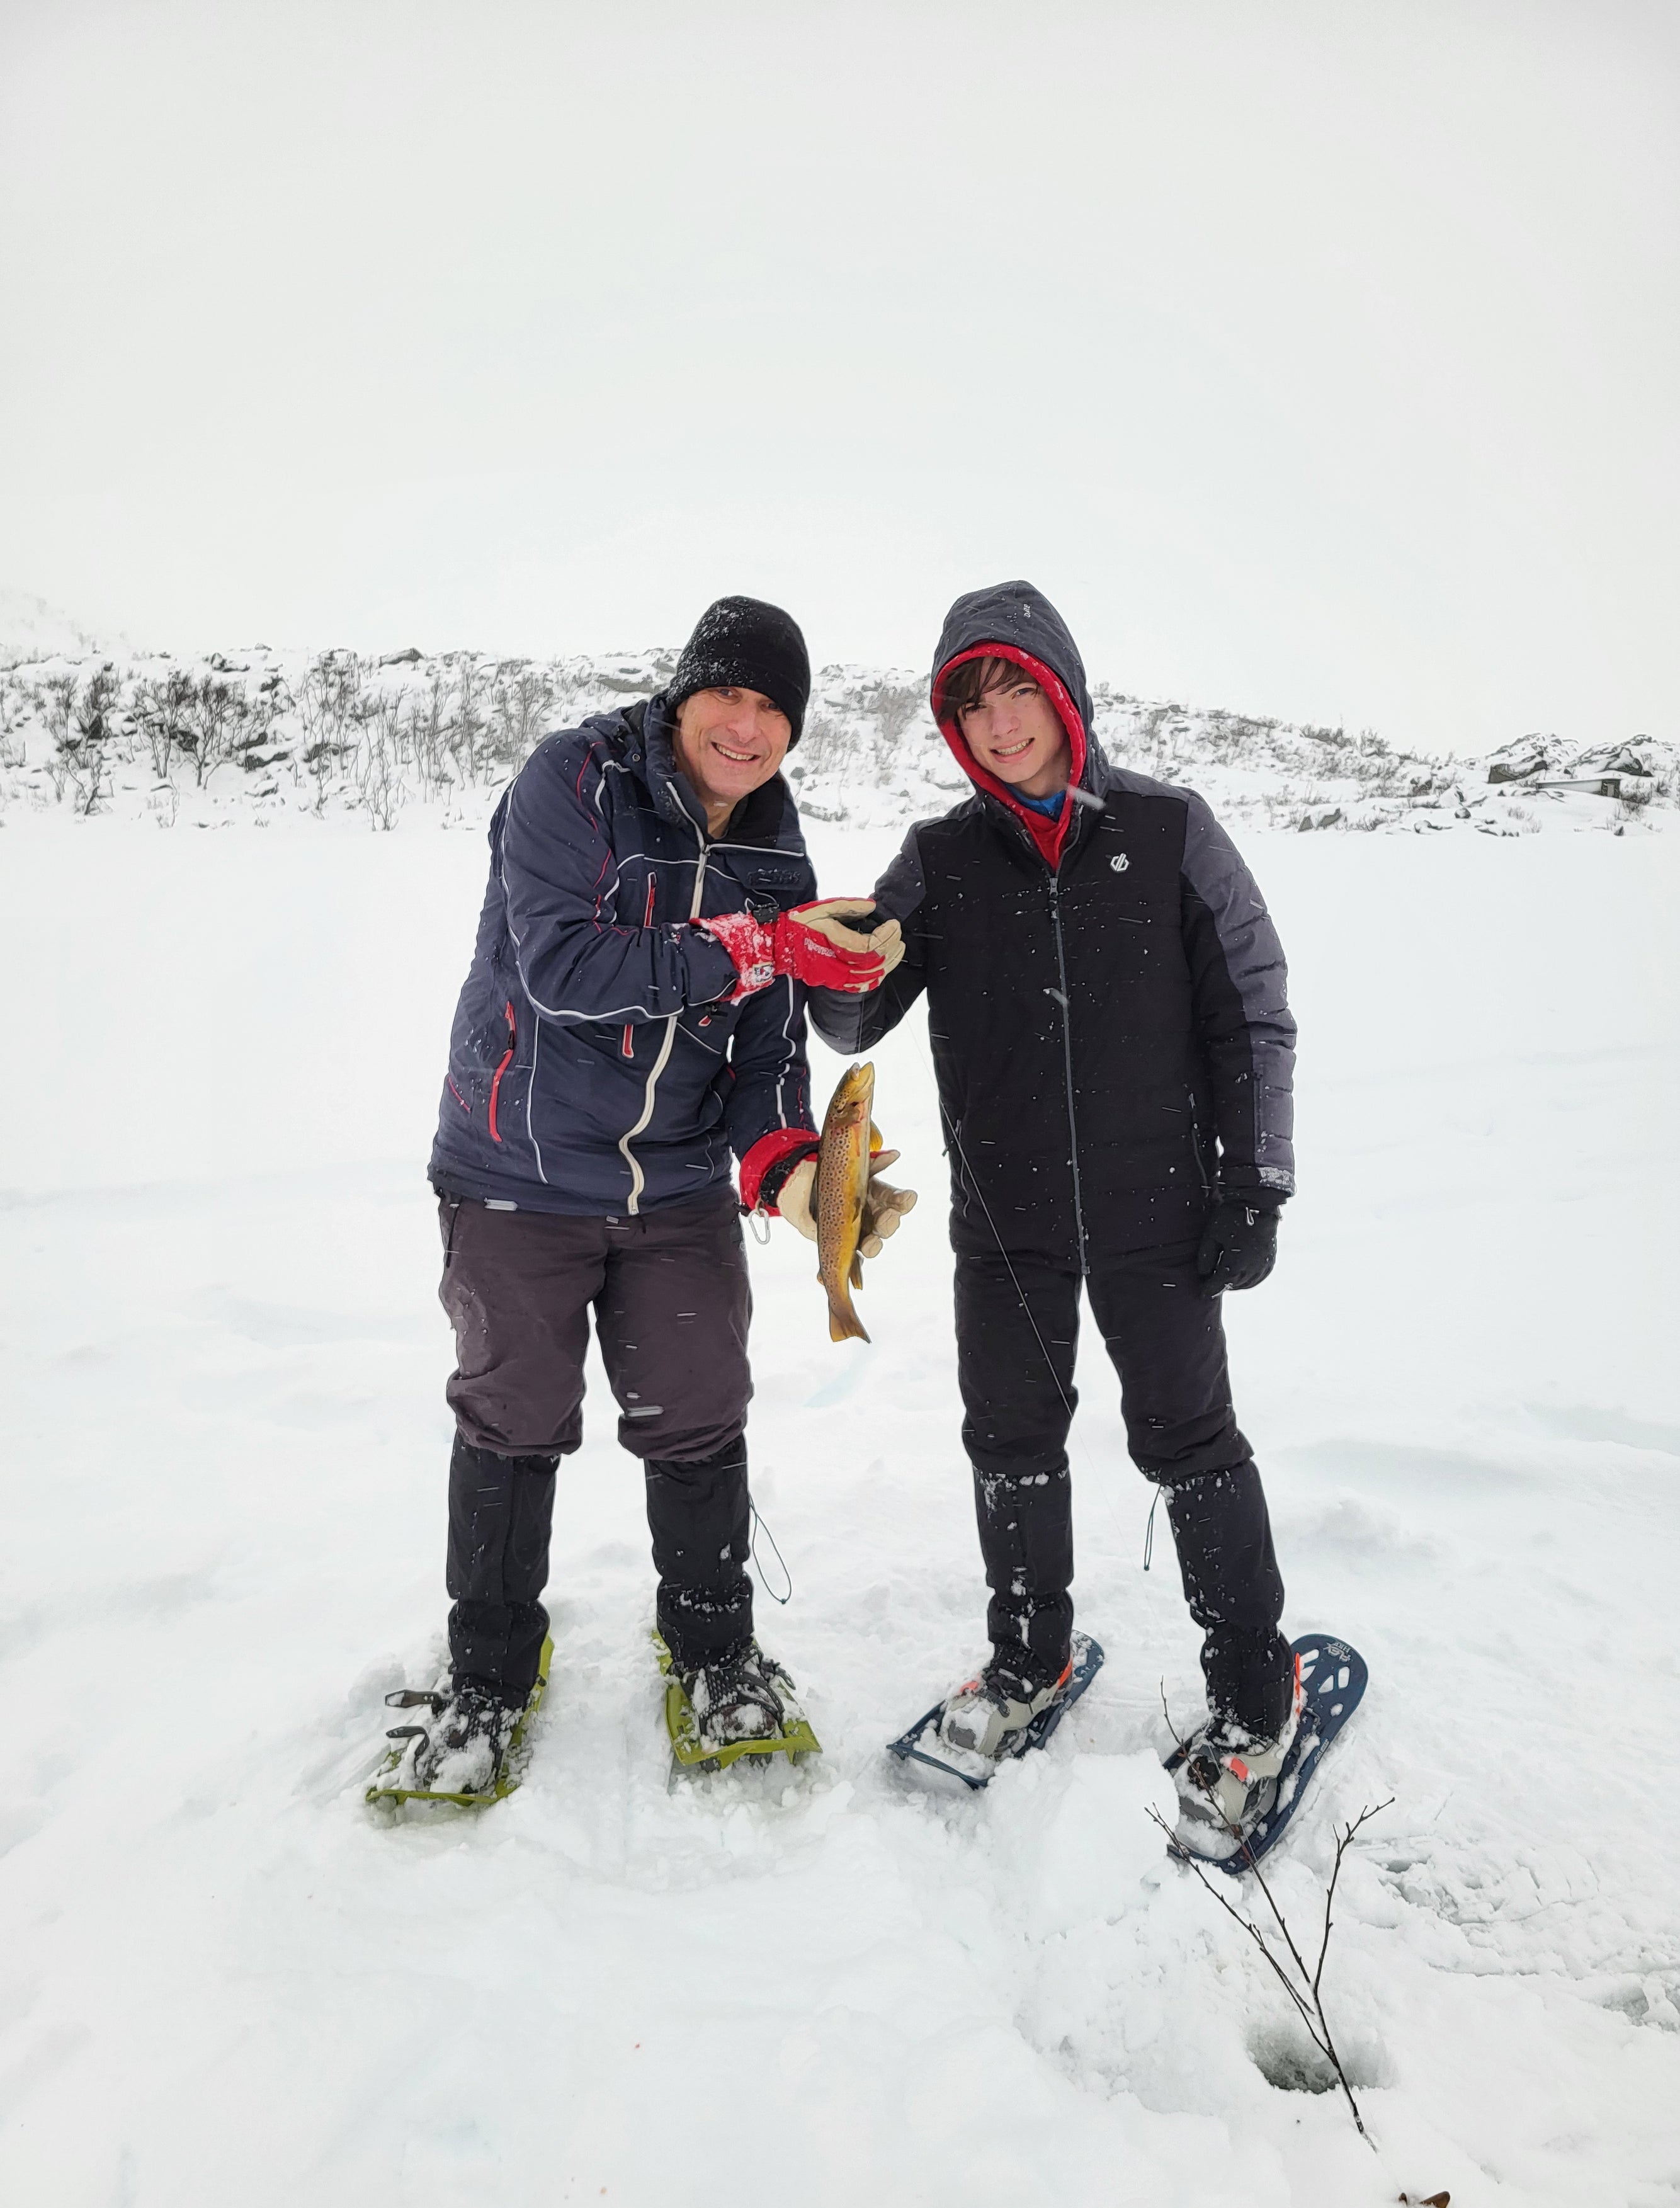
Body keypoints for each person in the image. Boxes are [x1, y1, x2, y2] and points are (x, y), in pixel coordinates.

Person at [808, 580, 1300, 1850]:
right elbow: (854, 1015)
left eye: (1015, 689)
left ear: (1061, 691)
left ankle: (1253, 1683)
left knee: (1188, 1439)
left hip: (1158, 1209)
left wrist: (1252, 1181)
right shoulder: (940, 860)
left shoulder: (1167, 831)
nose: (997, 722)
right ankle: (1024, 1655)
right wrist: (834, 956)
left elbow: (1249, 1011)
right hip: (1005, 1219)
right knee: (1008, 1437)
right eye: (969, 703)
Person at [413, 595, 912, 1794]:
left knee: (699, 1410)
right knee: (513, 1417)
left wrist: (794, 1174)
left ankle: (713, 1651)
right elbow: (566, 966)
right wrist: (756, 944)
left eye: (773, 711)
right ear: (681, 693)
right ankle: (488, 1671)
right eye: (726, 697)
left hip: (677, 1188)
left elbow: (768, 1057)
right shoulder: (571, 782)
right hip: (518, 1172)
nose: (745, 728)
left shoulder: (778, 853)